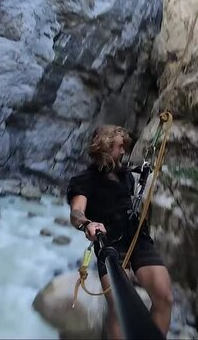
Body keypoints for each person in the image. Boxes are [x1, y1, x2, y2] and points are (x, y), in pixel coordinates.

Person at [66, 125, 173, 339]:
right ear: (105, 147)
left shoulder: (126, 176)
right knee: (118, 308)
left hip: (137, 238)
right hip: (109, 246)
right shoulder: (83, 180)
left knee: (164, 298)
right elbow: (76, 212)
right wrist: (87, 223)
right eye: (120, 147)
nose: (124, 152)